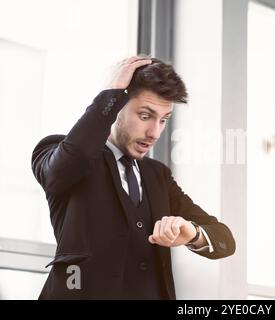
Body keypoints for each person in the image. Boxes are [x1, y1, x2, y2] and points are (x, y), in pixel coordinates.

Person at [31, 56, 236, 299]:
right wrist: (110, 94)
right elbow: (62, 170)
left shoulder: (158, 176)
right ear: (117, 108)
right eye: (145, 116)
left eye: (163, 120)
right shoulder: (62, 152)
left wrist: (192, 232)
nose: (155, 132)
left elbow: (224, 239)